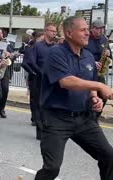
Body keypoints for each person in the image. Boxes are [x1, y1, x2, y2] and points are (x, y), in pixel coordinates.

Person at [35, 16, 113, 180]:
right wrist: (99, 87)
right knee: (52, 168)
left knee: (109, 156)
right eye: (83, 30)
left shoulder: (89, 56)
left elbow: (90, 81)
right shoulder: (56, 53)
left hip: (83, 119)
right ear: (69, 33)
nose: (87, 34)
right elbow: (66, 81)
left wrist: (94, 97)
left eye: (87, 30)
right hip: (56, 119)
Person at [30, 22, 57, 140]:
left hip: (52, 80)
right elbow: (32, 61)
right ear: (46, 31)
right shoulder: (37, 46)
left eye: (55, 31)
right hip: (39, 79)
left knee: (49, 105)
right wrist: (40, 72)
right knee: (38, 105)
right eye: (52, 31)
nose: (54, 33)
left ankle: (48, 128)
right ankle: (40, 131)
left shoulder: (56, 47)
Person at [85, 19, 112, 121]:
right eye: (98, 28)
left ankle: (95, 117)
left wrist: (109, 54)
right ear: (92, 28)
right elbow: (81, 55)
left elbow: (110, 56)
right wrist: (93, 62)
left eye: (102, 28)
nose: (100, 31)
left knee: (104, 95)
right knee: (89, 97)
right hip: (88, 72)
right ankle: (89, 118)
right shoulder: (86, 38)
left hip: (100, 73)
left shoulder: (104, 39)